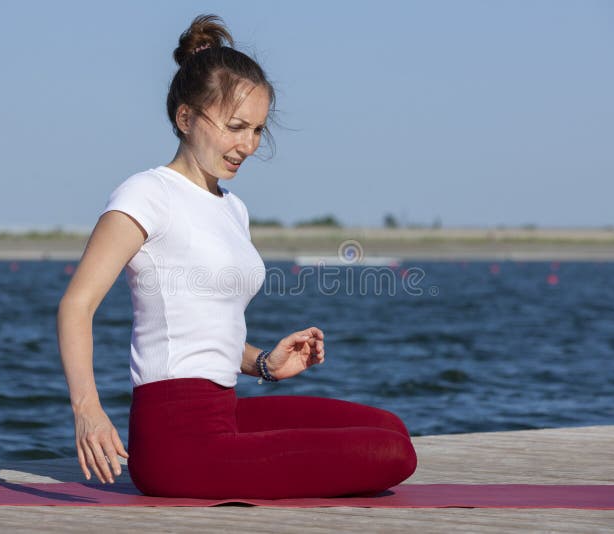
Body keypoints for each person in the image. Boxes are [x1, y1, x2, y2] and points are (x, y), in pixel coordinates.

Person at [57, 14, 417, 499]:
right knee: (392, 456)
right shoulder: (146, 194)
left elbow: (202, 331)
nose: (247, 145)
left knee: (390, 427)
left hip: (223, 410)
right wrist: (88, 411)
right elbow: (76, 305)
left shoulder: (233, 209)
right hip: (175, 442)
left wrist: (265, 363)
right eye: (235, 127)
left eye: (257, 131)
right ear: (186, 118)